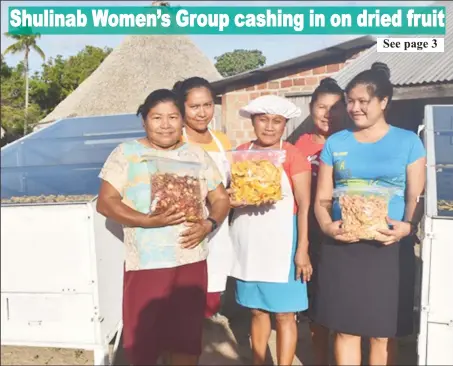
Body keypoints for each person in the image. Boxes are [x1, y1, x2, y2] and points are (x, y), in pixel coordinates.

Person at [96, 89, 230, 366]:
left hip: (191, 260)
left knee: (186, 340)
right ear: (144, 121)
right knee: (144, 343)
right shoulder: (127, 153)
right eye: (157, 117)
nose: (166, 124)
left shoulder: (196, 154)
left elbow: (220, 198)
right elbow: (106, 203)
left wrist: (209, 223)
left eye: (172, 117)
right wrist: (147, 221)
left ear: (182, 120)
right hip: (147, 263)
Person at [311, 62, 426, 366]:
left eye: (363, 101)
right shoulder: (337, 143)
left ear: (384, 102)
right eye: (350, 101)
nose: (355, 108)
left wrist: (408, 226)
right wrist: (327, 227)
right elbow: (322, 198)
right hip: (343, 246)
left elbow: (417, 195)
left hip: (387, 248)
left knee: (382, 333)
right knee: (345, 331)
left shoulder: (409, 142)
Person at [229, 95, 313, 366]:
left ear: (285, 124)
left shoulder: (293, 155)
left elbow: (304, 204)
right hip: (248, 243)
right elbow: (226, 195)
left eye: (277, 121)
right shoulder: (241, 152)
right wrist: (232, 199)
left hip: (282, 243)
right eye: (263, 119)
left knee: (285, 314)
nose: (269, 127)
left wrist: (302, 249)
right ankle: (258, 361)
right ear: (253, 121)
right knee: (256, 310)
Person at [294, 77, 346, 365]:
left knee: (345, 302)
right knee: (317, 303)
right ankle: (320, 359)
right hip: (313, 236)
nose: (328, 114)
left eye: (335, 107)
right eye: (321, 107)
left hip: (348, 232)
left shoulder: (355, 142)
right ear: (311, 108)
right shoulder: (298, 147)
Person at [173, 76, 234, 319]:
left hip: (219, 227)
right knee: (185, 298)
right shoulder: (176, 141)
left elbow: (231, 183)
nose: (202, 113)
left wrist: (234, 195)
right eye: (194, 107)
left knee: (211, 295)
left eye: (207, 105)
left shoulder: (222, 140)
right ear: (182, 108)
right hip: (187, 227)